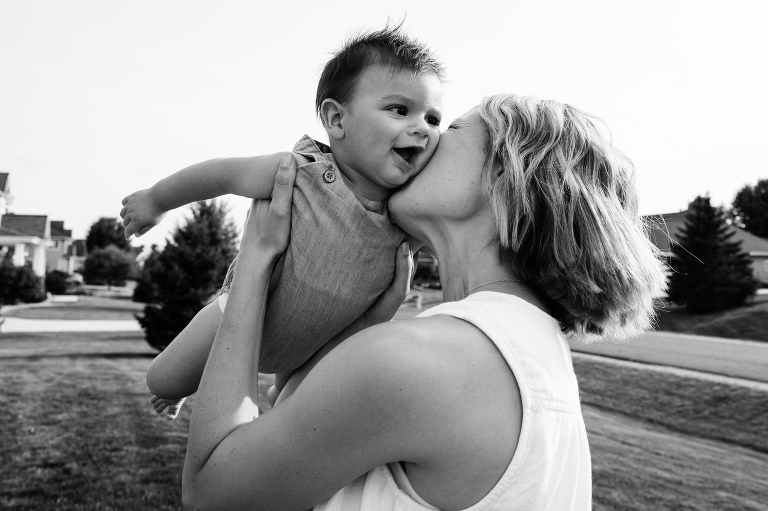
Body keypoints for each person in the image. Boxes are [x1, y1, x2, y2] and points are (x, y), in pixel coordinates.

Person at [181, 94, 667, 510]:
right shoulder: (527, 352)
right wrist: (363, 324)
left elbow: (211, 490)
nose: (423, 141)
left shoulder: (419, 360)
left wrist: (255, 260)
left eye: (451, 128)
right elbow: (293, 420)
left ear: (504, 175)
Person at [119, 26, 444, 418]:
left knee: (295, 408)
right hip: (239, 312)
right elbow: (222, 174)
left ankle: (279, 393)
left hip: (316, 344)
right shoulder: (301, 173)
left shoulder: (408, 212)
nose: (422, 128)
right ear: (336, 120)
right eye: (400, 110)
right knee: (163, 380)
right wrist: (156, 199)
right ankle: (175, 392)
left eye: (433, 117)